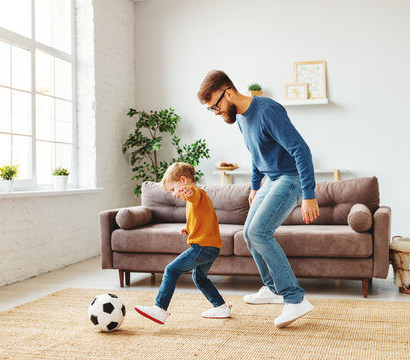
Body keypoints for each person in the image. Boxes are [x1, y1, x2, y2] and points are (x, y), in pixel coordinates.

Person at [198, 70, 320, 328]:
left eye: (215, 107)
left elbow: (301, 149)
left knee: (259, 233)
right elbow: (256, 153)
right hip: (271, 179)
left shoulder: (267, 111)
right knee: (248, 234)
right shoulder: (241, 118)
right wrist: (254, 186)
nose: (217, 113)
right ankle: (273, 288)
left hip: (291, 178)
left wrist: (309, 195)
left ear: (228, 93)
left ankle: (295, 299)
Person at [134, 162, 231, 324]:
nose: (173, 194)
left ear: (183, 181)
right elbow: (201, 217)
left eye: (173, 189)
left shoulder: (196, 193)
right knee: (200, 278)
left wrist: (188, 192)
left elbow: (193, 195)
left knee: (171, 270)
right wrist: (188, 227)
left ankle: (160, 308)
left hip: (202, 247)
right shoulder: (198, 199)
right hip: (211, 247)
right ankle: (221, 307)